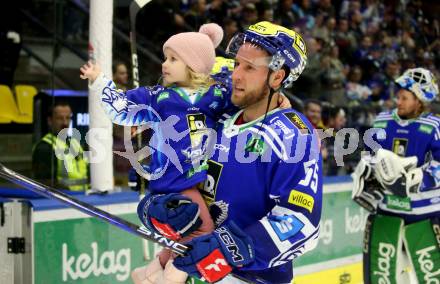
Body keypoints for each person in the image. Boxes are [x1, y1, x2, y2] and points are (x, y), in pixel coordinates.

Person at [142, 21, 323, 283]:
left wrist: (229, 248)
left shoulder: (293, 136)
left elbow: (301, 222)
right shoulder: (221, 114)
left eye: (250, 68)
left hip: (249, 277)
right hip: (195, 270)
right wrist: (160, 205)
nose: (236, 74)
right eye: (237, 63)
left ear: (277, 77)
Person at [80, 23, 235, 283]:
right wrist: (100, 81)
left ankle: (148, 273)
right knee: (203, 232)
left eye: (174, 59)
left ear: (194, 65)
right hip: (174, 184)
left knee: (184, 235)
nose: (165, 64)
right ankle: (169, 277)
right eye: (166, 57)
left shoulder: (215, 95)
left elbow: (240, 106)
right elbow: (120, 108)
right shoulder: (158, 97)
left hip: (191, 184)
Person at [351, 67, 440, 283]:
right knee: (382, 278)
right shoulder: (382, 121)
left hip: (425, 217)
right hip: (387, 214)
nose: (398, 101)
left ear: (420, 100)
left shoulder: (434, 126)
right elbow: (370, 155)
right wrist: (367, 174)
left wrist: (418, 179)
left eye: (405, 97)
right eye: (398, 96)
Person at [32, 101, 89, 191]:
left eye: (68, 118)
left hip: (85, 198)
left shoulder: (75, 143)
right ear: (50, 121)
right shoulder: (44, 147)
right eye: (60, 118)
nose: (65, 122)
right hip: (64, 201)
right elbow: (45, 184)